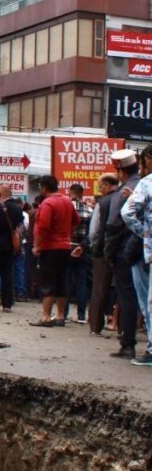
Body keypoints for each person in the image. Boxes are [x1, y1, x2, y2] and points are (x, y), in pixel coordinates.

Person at [105, 149, 142, 360]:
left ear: (120, 171)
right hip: (146, 249)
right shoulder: (144, 186)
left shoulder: (124, 192)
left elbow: (113, 226)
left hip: (126, 252)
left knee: (127, 298)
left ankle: (128, 343)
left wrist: (108, 254)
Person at [29, 175, 78, 327]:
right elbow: (76, 221)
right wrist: (66, 234)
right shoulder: (67, 201)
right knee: (62, 281)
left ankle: (45, 317)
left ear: (44, 187)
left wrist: (37, 245)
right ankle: (61, 316)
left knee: (47, 282)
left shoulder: (47, 203)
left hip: (49, 247)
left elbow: (43, 226)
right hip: (65, 246)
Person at [122, 146, 152, 366]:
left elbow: (127, 212)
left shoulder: (147, 183)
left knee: (149, 301)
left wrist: (145, 233)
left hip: (148, 251)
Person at [88, 173, 120, 337]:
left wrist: (93, 247)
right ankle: (123, 328)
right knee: (124, 290)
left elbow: (94, 231)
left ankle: (95, 327)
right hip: (123, 251)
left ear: (107, 185)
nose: (100, 189)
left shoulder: (103, 202)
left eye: (100, 186)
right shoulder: (125, 197)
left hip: (102, 251)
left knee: (99, 289)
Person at [65, 183, 93, 323]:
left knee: (66, 280)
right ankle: (81, 316)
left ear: (70, 192)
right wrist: (82, 246)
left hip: (66, 247)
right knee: (81, 282)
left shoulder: (65, 208)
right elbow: (92, 233)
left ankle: (63, 314)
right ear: (82, 193)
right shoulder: (89, 210)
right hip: (82, 249)